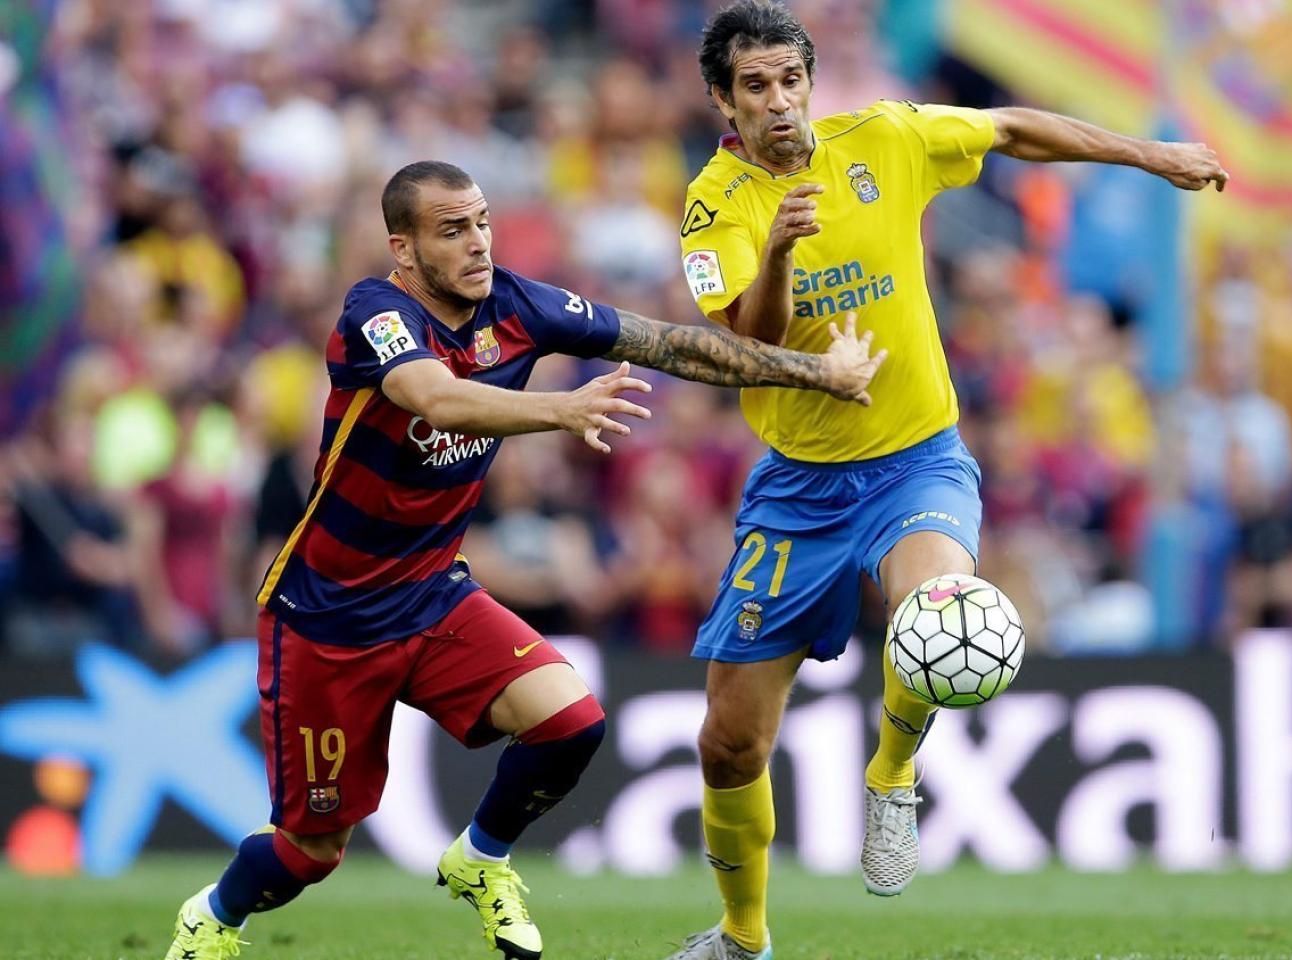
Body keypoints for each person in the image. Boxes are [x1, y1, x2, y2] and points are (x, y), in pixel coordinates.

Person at [162, 159, 884, 960]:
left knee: (571, 723)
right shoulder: (377, 313)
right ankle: (214, 918)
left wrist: (817, 372)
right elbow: (434, 396)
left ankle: (479, 859)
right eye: (451, 230)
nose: (477, 243)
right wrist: (559, 410)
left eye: (481, 222)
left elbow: (672, 346)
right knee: (310, 852)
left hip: (433, 596)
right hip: (328, 616)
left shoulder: (519, 304)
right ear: (404, 249)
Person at [668, 4, 1226, 958]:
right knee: (728, 743)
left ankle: (892, 771)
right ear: (723, 99)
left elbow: (1011, 128)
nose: (778, 101)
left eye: (789, 79)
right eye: (754, 86)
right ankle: (742, 938)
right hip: (798, 487)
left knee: (938, 616)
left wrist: (1151, 154)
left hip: (915, 459)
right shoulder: (716, 205)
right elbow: (749, 338)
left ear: (810, 81)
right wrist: (781, 251)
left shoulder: (884, 138)